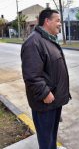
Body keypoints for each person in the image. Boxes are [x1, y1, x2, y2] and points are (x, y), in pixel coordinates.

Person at [21, 8, 71, 149]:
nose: (60, 24)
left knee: (51, 138)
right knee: (46, 141)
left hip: (54, 101)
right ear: (47, 21)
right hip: (45, 103)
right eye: (58, 20)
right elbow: (31, 75)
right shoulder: (34, 42)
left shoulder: (48, 39)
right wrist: (45, 94)